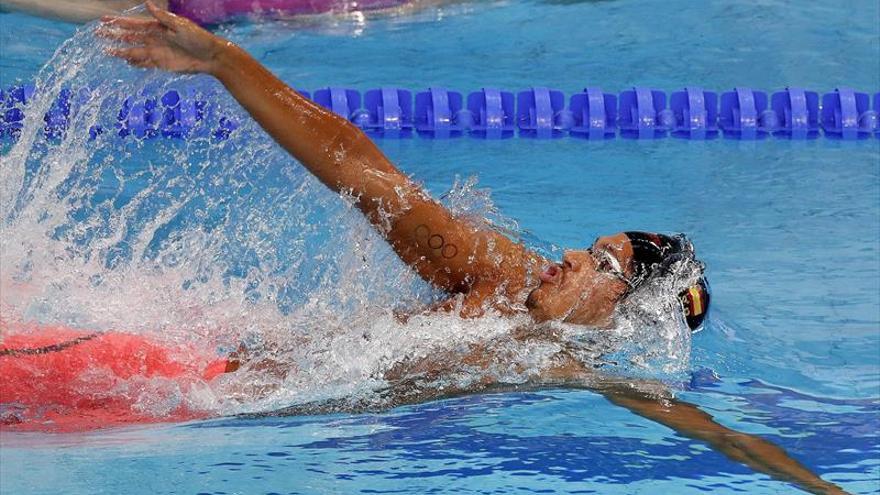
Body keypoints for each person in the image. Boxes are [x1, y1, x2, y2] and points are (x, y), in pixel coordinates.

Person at [79, 3, 844, 493]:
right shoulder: (499, 279)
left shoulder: (567, 364)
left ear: (625, 309)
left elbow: (719, 437)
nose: (573, 258)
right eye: (588, 246)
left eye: (600, 264)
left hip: (169, 406)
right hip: (175, 382)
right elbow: (363, 171)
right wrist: (225, 62)